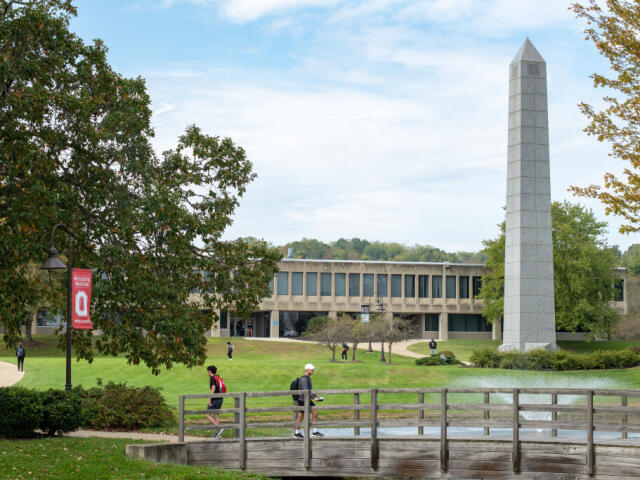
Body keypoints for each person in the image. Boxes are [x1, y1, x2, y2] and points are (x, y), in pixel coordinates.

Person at [294, 363, 324, 438]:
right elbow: (305, 391)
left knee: (304, 415)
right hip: (303, 400)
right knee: (307, 414)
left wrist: (315, 396)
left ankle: (298, 433)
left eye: (313, 369)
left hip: (305, 399)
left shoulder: (308, 378)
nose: (313, 370)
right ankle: (312, 432)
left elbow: (309, 391)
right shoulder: (304, 379)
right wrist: (314, 398)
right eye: (311, 369)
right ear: (306, 369)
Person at [205, 365, 225, 438]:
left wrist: (210, 398)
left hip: (215, 399)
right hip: (220, 398)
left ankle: (219, 429)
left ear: (210, 371)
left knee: (207, 414)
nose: (207, 372)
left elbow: (213, 388)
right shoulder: (218, 377)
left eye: (207, 371)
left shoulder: (212, 378)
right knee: (216, 415)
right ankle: (218, 434)